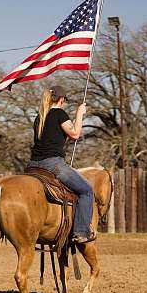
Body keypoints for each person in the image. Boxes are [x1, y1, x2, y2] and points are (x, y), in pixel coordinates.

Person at [26, 85, 95, 243]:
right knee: (87, 191)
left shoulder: (40, 117)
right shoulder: (59, 114)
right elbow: (75, 134)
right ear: (62, 100)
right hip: (53, 164)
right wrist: (79, 114)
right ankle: (81, 232)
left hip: (33, 166)